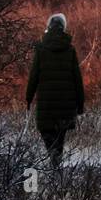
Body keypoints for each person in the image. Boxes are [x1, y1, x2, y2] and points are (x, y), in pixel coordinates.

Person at [25, 13, 85, 167]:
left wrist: (29, 97)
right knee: (60, 137)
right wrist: (80, 103)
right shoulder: (70, 50)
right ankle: (56, 163)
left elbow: (34, 76)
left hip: (46, 103)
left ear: (49, 27)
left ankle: (53, 160)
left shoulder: (40, 49)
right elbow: (77, 78)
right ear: (63, 27)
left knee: (47, 132)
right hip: (66, 103)